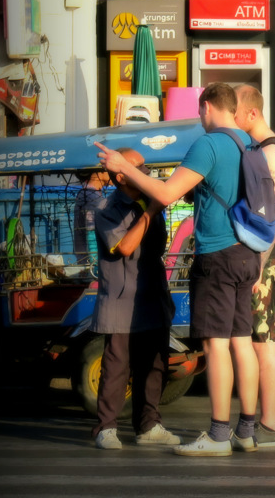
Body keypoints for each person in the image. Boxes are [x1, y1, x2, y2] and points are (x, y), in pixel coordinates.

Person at [96, 83, 265, 456]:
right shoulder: (249, 145)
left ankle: (219, 435)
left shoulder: (209, 144)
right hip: (247, 253)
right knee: (242, 342)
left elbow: (168, 193)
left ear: (206, 107)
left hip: (218, 254)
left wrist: (123, 166)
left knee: (216, 345)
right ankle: (247, 430)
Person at [92, 148, 180, 450]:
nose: (147, 173)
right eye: (140, 168)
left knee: (155, 365)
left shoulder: (150, 198)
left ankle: (149, 425)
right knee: (117, 368)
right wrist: (151, 212)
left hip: (152, 295)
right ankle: (106, 428)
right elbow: (125, 247)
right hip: (120, 300)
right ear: (121, 175)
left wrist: (153, 207)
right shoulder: (107, 208)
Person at [234, 84, 275, 448]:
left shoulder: (271, 152)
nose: (233, 119)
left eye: (235, 113)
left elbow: (274, 213)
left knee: (261, 340)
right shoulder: (264, 149)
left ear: (252, 114)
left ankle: (269, 424)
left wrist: (258, 265)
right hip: (271, 255)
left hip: (265, 256)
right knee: (270, 337)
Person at [74, 168, 109, 260]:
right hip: (92, 262)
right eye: (108, 170)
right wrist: (95, 261)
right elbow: (91, 232)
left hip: (86, 257)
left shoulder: (87, 194)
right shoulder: (91, 197)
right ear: (99, 173)